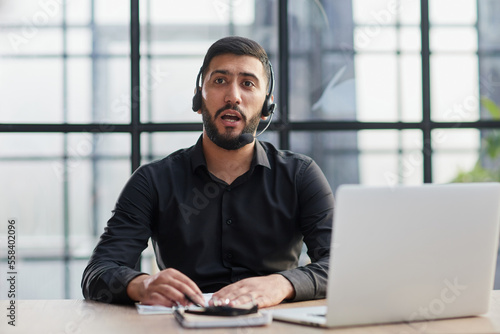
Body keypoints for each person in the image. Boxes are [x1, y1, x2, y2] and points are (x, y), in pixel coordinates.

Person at [81, 36, 334, 308]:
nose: (233, 96)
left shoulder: (300, 175)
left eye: (248, 83)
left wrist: (282, 284)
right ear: (198, 98)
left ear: (266, 106)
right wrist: (142, 284)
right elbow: (99, 271)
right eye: (220, 81)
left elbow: (342, 265)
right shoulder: (152, 180)